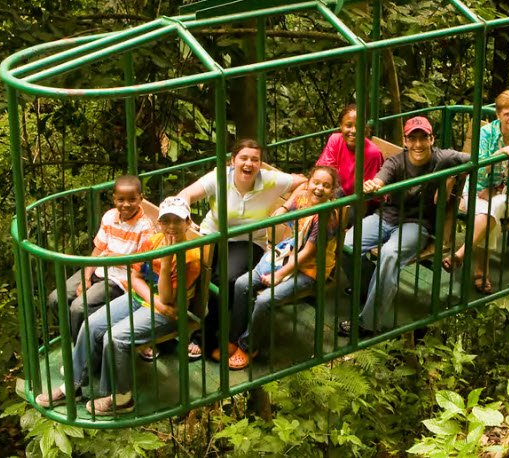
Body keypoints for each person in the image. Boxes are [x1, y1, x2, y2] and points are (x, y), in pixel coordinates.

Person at [35, 197, 201, 415]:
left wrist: (167, 261)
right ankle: (72, 386)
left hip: (167, 312)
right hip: (147, 301)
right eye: (166, 220)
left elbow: (168, 299)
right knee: (91, 324)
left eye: (177, 220)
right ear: (159, 222)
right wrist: (154, 301)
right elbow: (134, 277)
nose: (171, 226)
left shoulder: (190, 257)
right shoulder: (154, 241)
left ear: (187, 222)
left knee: (116, 338)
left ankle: (122, 398)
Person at [338, 117, 469, 337]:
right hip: (386, 217)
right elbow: (381, 178)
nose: (418, 144)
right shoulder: (396, 162)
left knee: (389, 254)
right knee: (346, 244)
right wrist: (375, 184)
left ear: (431, 139)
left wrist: (499, 154)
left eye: (423, 138)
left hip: (417, 224)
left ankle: (368, 324)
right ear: (406, 141)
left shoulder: (443, 158)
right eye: (412, 138)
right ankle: (369, 286)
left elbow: (475, 159)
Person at [177, 139, 307, 358]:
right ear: (233, 161)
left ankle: (205, 336)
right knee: (186, 267)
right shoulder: (219, 177)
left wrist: (286, 206)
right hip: (212, 234)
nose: (249, 164)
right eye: (244, 158)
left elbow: (304, 182)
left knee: (224, 280)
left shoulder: (270, 180)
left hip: (247, 241)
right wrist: (187, 218)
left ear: (260, 164)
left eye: (255, 160)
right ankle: (174, 325)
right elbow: (185, 195)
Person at [226, 166, 340, 369]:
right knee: (241, 283)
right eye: (316, 182)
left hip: (309, 270)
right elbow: (286, 208)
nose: (319, 188)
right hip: (286, 254)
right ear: (309, 182)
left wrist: (278, 275)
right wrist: (281, 212)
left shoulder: (325, 217)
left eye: (326, 186)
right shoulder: (303, 195)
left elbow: (307, 255)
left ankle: (248, 346)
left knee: (264, 300)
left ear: (332, 191)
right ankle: (234, 337)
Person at [442, 90, 509, 293]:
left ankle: (460, 254)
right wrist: (499, 155)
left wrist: (500, 189)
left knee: (494, 206)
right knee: (488, 213)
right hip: (477, 191)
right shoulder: (486, 134)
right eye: (508, 113)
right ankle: (481, 272)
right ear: (498, 115)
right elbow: (478, 170)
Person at [47, 175, 156, 341]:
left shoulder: (145, 227)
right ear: (114, 199)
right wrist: (86, 277)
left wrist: (115, 257)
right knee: (56, 298)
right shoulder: (109, 217)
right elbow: (99, 249)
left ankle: (84, 357)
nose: (126, 205)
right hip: (99, 268)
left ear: (141, 198)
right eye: (121, 199)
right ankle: (77, 342)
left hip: (119, 280)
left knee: (79, 308)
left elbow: (141, 262)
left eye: (132, 199)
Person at [315, 104, 384, 199]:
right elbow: (325, 170)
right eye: (348, 125)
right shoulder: (335, 139)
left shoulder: (372, 153)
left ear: (365, 128)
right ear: (341, 126)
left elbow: (366, 190)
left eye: (359, 126)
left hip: (361, 200)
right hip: (335, 191)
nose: (354, 131)